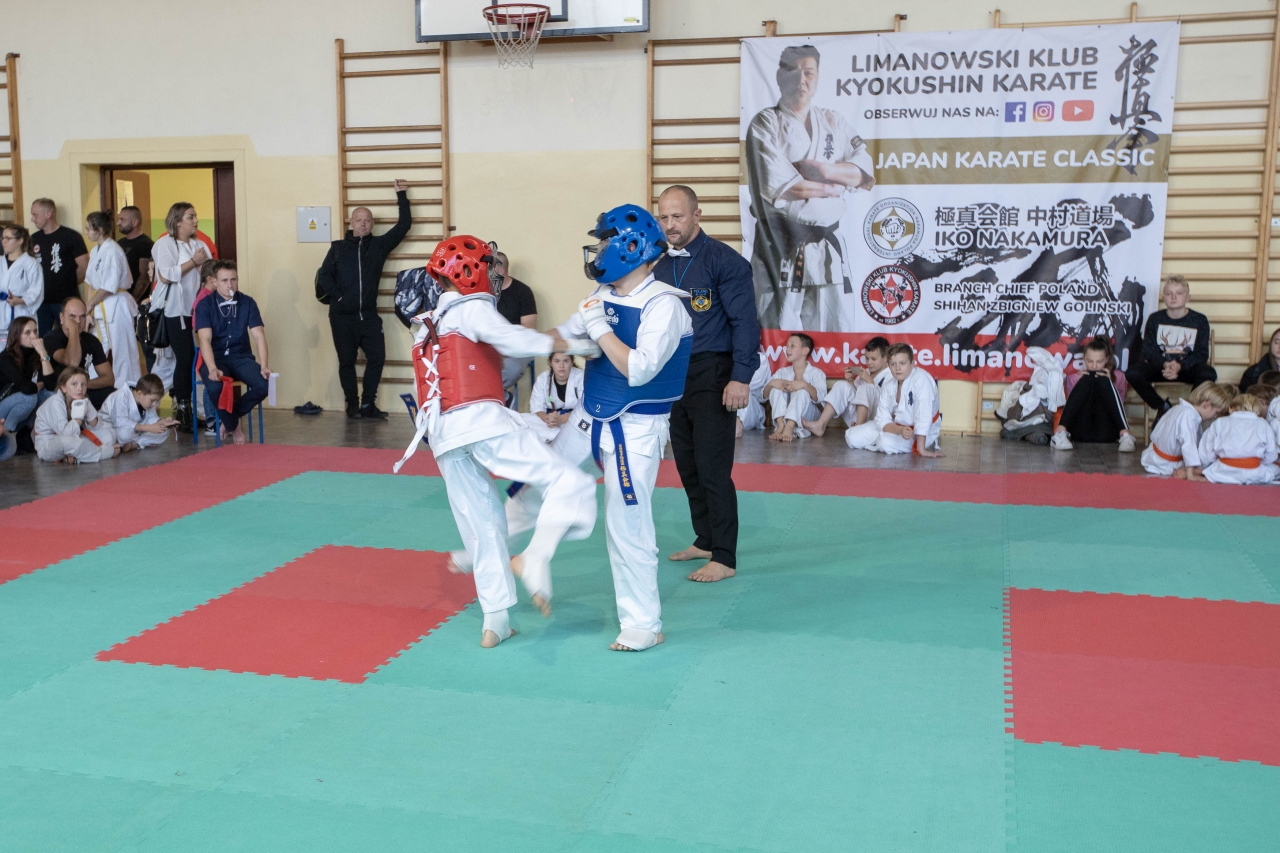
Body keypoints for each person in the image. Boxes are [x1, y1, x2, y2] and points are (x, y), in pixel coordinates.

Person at [392, 236, 599, 647]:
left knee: (485, 527)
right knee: (571, 482)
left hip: (445, 438)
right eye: (490, 268)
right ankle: (535, 559)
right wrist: (574, 345)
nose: (496, 276)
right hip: (482, 423)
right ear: (470, 272)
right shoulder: (470, 309)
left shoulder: (426, 325)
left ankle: (496, 621)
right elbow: (515, 341)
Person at [558, 204, 694, 650]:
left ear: (630, 248)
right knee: (538, 477)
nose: (597, 252)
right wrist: (503, 340)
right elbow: (566, 336)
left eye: (604, 243)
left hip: (636, 428)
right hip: (590, 415)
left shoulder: (664, 306)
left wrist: (598, 330)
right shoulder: (603, 291)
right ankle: (498, 572)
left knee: (626, 525)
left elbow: (638, 369)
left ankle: (643, 624)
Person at [654, 185, 760, 584]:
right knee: (687, 464)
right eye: (664, 217)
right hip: (673, 375)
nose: (670, 225)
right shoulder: (660, 266)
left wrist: (740, 377)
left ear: (697, 215)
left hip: (714, 371)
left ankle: (725, 556)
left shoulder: (725, 261)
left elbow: (745, 322)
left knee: (713, 467)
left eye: (677, 216)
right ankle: (705, 538)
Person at [745, 45, 875, 331]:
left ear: (817, 78)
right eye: (793, 72)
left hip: (827, 247)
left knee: (835, 333)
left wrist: (825, 171)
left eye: (809, 73)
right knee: (777, 333)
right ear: (779, 77)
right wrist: (834, 187)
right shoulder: (765, 124)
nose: (801, 80)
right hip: (780, 244)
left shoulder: (833, 121)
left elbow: (863, 172)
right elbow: (788, 187)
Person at [318, 179, 411, 420]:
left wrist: (401, 195)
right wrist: (339, 296)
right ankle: (352, 404)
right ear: (351, 223)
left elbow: (404, 225)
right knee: (346, 362)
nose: (363, 224)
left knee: (377, 358)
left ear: (372, 224)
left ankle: (369, 403)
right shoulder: (338, 248)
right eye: (358, 220)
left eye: (367, 220)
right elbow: (324, 275)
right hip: (342, 317)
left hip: (368, 316)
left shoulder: (379, 246)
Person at [194, 260, 270, 445]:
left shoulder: (248, 302)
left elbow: (259, 336)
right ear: (214, 282)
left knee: (264, 384)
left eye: (233, 280)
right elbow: (205, 340)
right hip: (216, 358)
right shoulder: (204, 305)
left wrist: (264, 365)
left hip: (241, 357)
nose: (230, 285)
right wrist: (212, 368)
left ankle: (229, 419)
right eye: (224, 280)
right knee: (215, 387)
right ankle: (234, 427)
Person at [152, 202, 210, 432]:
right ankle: (183, 409)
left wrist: (203, 267)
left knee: (189, 359)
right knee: (184, 358)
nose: (196, 221)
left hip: (194, 309)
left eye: (195, 216)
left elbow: (208, 274)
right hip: (173, 311)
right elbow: (166, 275)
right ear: (177, 222)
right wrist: (193, 262)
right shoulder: (165, 243)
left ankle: (193, 408)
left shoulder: (199, 245)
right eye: (190, 217)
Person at [1127, 275, 1217, 420]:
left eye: (1179, 293)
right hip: (1160, 368)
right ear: (1163, 297)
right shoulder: (1155, 318)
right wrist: (1165, 364)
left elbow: (1201, 354)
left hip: (1186, 368)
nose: (1174, 297)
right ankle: (1162, 406)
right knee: (1132, 373)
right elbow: (1148, 351)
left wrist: (1180, 366)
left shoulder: (1199, 320)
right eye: (1169, 293)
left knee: (1208, 373)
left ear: (1188, 297)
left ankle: (1188, 409)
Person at [83, 211, 141, 391]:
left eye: (88, 229)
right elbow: (90, 283)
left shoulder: (113, 251)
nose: (86, 232)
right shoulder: (95, 251)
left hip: (116, 306)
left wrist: (90, 304)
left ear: (99, 230)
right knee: (95, 351)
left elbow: (109, 286)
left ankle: (129, 393)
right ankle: (93, 390)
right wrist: (88, 310)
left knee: (123, 353)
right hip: (99, 307)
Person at [1051, 336, 1137, 452]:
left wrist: (1109, 383)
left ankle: (1126, 435)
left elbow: (1118, 406)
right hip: (1081, 430)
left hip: (1106, 431)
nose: (1094, 366)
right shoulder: (1074, 378)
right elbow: (1073, 407)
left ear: (1107, 359)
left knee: (1103, 379)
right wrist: (1080, 382)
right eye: (1090, 361)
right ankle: (1059, 433)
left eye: (1099, 361)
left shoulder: (1119, 376)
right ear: (1084, 359)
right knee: (1087, 378)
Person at [804, 335, 890, 443]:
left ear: (886, 357)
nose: (869, 362)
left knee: (867, 388)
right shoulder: (866, 372)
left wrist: (870, 382)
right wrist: (850, 382)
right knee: (842, 385)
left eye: (873, 359)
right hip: (859, 418)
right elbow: (858, 397)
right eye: (867, 358)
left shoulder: (891, 375)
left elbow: (887, 401)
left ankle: (858, 430)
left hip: (876, 420)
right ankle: (821, 424)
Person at [1140, 381, 1232, 478]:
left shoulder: (1179, 408)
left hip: (1155, 457)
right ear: (1207, 405)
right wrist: (1190, 474)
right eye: (1216, 412)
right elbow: (1188, 446)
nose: (1215, 416)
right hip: (1165, 464)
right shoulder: (1188, 416)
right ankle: (1192, 471)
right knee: (1213, 468)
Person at [870, 343, 944, 456]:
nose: (897, 368)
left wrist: (921, 450)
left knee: (884, 443)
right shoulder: (889, 384)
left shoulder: (922, 380)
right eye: (893, 364)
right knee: (852, 437)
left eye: (902, 363)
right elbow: (882, 419)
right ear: (888, 365)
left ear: (912, 363)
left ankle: (927, 443)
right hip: (896, 428)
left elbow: (923, 416)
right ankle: (878, 438)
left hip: (920, 433)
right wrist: (899, 430)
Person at [29, 198, 89, 336]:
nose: (32, 219)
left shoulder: (71, 236)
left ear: (48, 214)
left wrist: (67, 283)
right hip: (41, 302)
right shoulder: (33, 239)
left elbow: (85, 266)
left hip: (65, 301)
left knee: (70, 336)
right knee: (41, 338)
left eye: (35, 215)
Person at [33, 367, 119, 463]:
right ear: (63, 387)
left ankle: (74, 458)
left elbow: (96, 426)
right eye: (74, 384)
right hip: (49, 444)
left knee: (110, 434)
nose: (80, 388)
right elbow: (66, 434)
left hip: (73, 437)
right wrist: (78, 416)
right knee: (69, 442)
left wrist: (86, 405)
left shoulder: (81, 399)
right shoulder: (55, 402)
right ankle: (103, 453)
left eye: (83, 384)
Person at [44, 296, 115, 409]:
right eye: (72, 316)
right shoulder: (51, 338)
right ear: (62, 317)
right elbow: (72, 362)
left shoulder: (92, 341)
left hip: (82, 392)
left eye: (82, 316)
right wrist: (74, 330)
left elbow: (109, 378)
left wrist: (82, 385)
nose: (78, 321)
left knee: (113, 395)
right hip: (59, 392)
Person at [1193, 393, 1278, 485]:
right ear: (1258, 409)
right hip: (1254, 472)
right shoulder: (1263, 424)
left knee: (1210, 467)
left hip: (1223, 472)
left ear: (1230, 408)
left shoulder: (1220, 422)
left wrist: (1206, 465)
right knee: (1276, 468)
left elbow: (1206, 452)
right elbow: (1271, 454)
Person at [492, 251, 539, 405]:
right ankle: (502, 398)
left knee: (510, 368)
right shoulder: (485, 294)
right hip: (491, 347)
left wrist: (504, 347)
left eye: (489, 269)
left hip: (518, 347)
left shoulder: (523, 292)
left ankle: (493, 398)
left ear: (500, 270)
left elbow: (528, 330)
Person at [0, 316, 55, 444]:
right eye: (27, 333)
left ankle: (24, 434)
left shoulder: (35, 354)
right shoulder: (6, 357)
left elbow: (51, 384)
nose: (33, 336)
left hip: (15, 405)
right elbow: (26, 388)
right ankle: (6, 434)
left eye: (35, 331)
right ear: (17, 335)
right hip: (3, 406)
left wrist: (43, 354)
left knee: (49, 395)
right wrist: (40, 384)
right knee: (29, 398)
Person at [765, 332, 827, 442]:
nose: (787, 349)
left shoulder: (817, 373)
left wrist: (804, 385)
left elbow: (820, 397)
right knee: (775, 388)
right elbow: (763, 396)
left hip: (808, 416)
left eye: (792, 346)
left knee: (801, 391)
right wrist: (771, 383)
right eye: (787, 346)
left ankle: (789, 427)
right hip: (784, 415)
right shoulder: (782, 372)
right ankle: (780, 425)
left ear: (805, 350)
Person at [103, 374, 176, 451]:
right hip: (111, 429)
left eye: (157, 401)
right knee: (123, 434)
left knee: (164, 431)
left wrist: (162, 422)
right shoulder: (121, 396)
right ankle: (139, 442)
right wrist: (149, 428)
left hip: (135, 432)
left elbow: (152, 418)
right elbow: (120, 422)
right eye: (152, 400)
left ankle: (135, 444)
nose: (154, 404)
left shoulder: (146, 400)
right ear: (140, 394)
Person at [522, 351, 583, 443]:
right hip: (550, 420)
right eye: (557, 361)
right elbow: (536, 407)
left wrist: (561, 419)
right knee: (524, 420)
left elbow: (585, 409)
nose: (561, 366)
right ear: (550, 363)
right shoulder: (543, 378)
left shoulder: (581, 377)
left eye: (566, 361)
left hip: (574, 418)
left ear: (571, 362)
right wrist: (548, 419)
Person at [1, 225, 44, 337]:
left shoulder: (32, 264)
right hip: (1, 311)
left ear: (20, 240)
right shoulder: (0, 262)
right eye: (3, 238)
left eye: (8, 238)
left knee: (22, 343)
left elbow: (37, 290)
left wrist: (20, 300)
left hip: (21, 313)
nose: (3, 241)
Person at [115, 206, 155, 302]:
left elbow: (144, 276)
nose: (118, 223)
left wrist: (133, 300)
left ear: (135, 222)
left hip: (136, 301)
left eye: (122, 220)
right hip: (119, 298)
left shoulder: (146, 244)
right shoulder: (119, 243)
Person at [737, 352, 772, 436]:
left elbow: (747, 383)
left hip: (753, 407)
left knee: (740, 388)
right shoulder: (724, 357)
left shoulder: (761, 358)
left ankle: (737, 424)